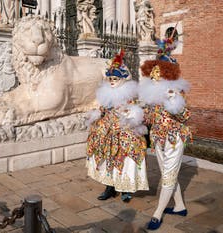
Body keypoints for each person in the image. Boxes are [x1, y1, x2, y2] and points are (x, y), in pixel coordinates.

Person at [139, 37, 192, 230]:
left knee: (168, 177)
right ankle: (179, 206)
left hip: (173, 139)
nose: (154, 77)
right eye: (152, 73)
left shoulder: (176, 91)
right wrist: (134, 116)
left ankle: (157, 213)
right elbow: (149, 117)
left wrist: (174, 101)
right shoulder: (153, 96)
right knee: (169, 174)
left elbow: (186, 115)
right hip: (158, 140)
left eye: (158, 73)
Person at [86, 49, 149, 203]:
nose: (112, 81)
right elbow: (101, 109)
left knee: (126, 157)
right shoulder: (105, 94)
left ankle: (125, 189)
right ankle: (110, 187)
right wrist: (96, 113)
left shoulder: (129, 94)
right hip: (107, 132)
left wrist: (130, 114)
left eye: (115, 78)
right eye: (110, 78)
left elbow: (137, 111)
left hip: (125, 131)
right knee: (107, 157)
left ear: (123, 79)